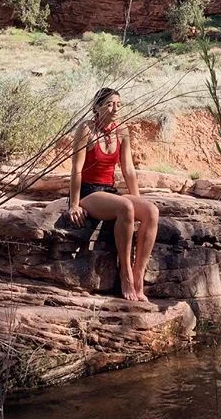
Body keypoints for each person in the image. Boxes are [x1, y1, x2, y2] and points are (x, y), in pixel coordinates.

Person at [67, 87, 159, 302]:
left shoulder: (122, 130)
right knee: (124, 207)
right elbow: (76, 169)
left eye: (118, 104)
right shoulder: (86, 130)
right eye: (109, 104)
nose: (115, 109)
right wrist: (73, 204)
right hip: (90, 193)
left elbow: (128, 169)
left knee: (151, 211)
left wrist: (138, 201)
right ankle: (125, 274)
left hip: (109, 192)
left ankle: (139, 275)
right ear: (97, 108)